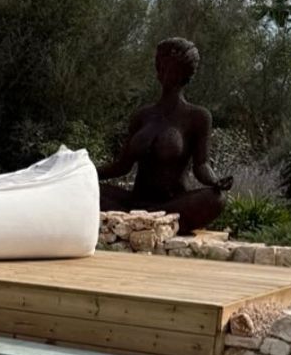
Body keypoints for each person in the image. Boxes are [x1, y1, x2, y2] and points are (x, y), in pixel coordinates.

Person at [97, 37, 232, 235]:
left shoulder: (197, 117)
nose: (164, 72)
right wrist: (86, 172)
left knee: (216, 199)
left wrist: (215, 182)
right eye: (161, 65)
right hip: (136, 199)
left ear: (184, 73)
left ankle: (147, 219)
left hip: (173, 202)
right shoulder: (142, 115)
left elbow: (201, 165)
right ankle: (146, 219)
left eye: (171, 68)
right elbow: (122, 166)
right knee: (85, 189)